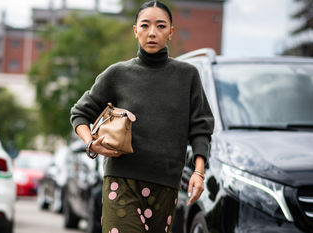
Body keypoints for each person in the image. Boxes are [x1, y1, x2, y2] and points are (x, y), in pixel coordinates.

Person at [70, 1, 214, 232]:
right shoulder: (118, 74)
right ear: (135, 30)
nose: (152, 33)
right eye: (145, 25)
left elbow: (201, 128)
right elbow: (80, 113)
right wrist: (91, 144)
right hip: (121, 181)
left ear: (171, 32)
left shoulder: (188, 76)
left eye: (160, 26)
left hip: (165, 186)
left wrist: (199, 171)